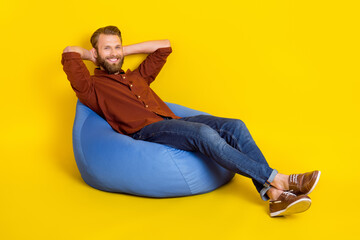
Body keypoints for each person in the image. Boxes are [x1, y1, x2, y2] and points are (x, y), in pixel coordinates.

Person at [62, 25, 321, 217]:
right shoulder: (91, 87)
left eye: (117, 47)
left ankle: (274, 196)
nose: (114, 53)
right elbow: (69, 52)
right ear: (96, 52)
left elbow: (164, 46)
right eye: (107, 48)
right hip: (145, 131)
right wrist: (95, 55)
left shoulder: (136, 76)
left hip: (169, 119)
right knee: (203, 134)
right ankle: (281, 180)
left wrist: (121, 52)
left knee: (235, 126)